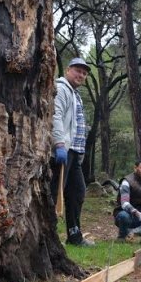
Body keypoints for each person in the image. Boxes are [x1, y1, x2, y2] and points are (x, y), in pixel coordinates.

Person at [51, 57, 94, 247]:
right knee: (54, 195)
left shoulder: (75, 94)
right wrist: (59, 144)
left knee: (77, 192)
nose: (81, 75)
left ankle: (74, 236)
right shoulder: (61, 88)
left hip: (75, 154)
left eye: (84, 73)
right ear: (68, 70)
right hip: (63, 151)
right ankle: (48, 236)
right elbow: (55, 115)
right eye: (78, 71)